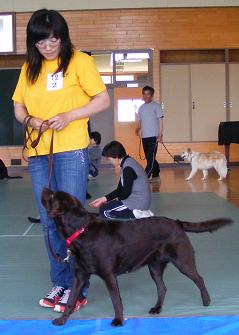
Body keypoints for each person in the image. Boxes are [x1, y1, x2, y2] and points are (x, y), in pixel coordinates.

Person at [12, 9, 109, 313]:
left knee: (74, 221)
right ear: (34, 42)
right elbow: (18, 108)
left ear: (63, 36)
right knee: (48, 221)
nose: (48, 46)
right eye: (41, 41)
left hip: (70, 151)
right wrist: (31, 119)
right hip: (40, 153)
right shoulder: (30, 67)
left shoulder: (80, 61)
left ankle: (78, 289)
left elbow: (102, 99)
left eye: (53, 39)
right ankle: (61, 283)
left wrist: (69, 116)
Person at [90, 141, 152, 220]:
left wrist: (116, 201)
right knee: (105, 206)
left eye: (109, 159)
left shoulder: (127, 168)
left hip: (138, 203)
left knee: (104, 211)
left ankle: (136, 214)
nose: (109, 162)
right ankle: (136, 212)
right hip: (137, 200)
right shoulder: (127, 163)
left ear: (116, 156)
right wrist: (103, 199)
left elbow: (125, 193)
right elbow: (120, 190)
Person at [135, 86, 164, 181]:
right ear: (142, 95)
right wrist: (138, 128)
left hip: (154, 136)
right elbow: (140, 121)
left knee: (150, 159)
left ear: (151, 95)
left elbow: (160, 121)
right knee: (149, 158)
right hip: (144, 137)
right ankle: (156, 175)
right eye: (144, 94)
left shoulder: (156, 106)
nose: (146, 96)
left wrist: (160, 135)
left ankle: (144, 178)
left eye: (148, 94)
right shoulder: (141, 108)